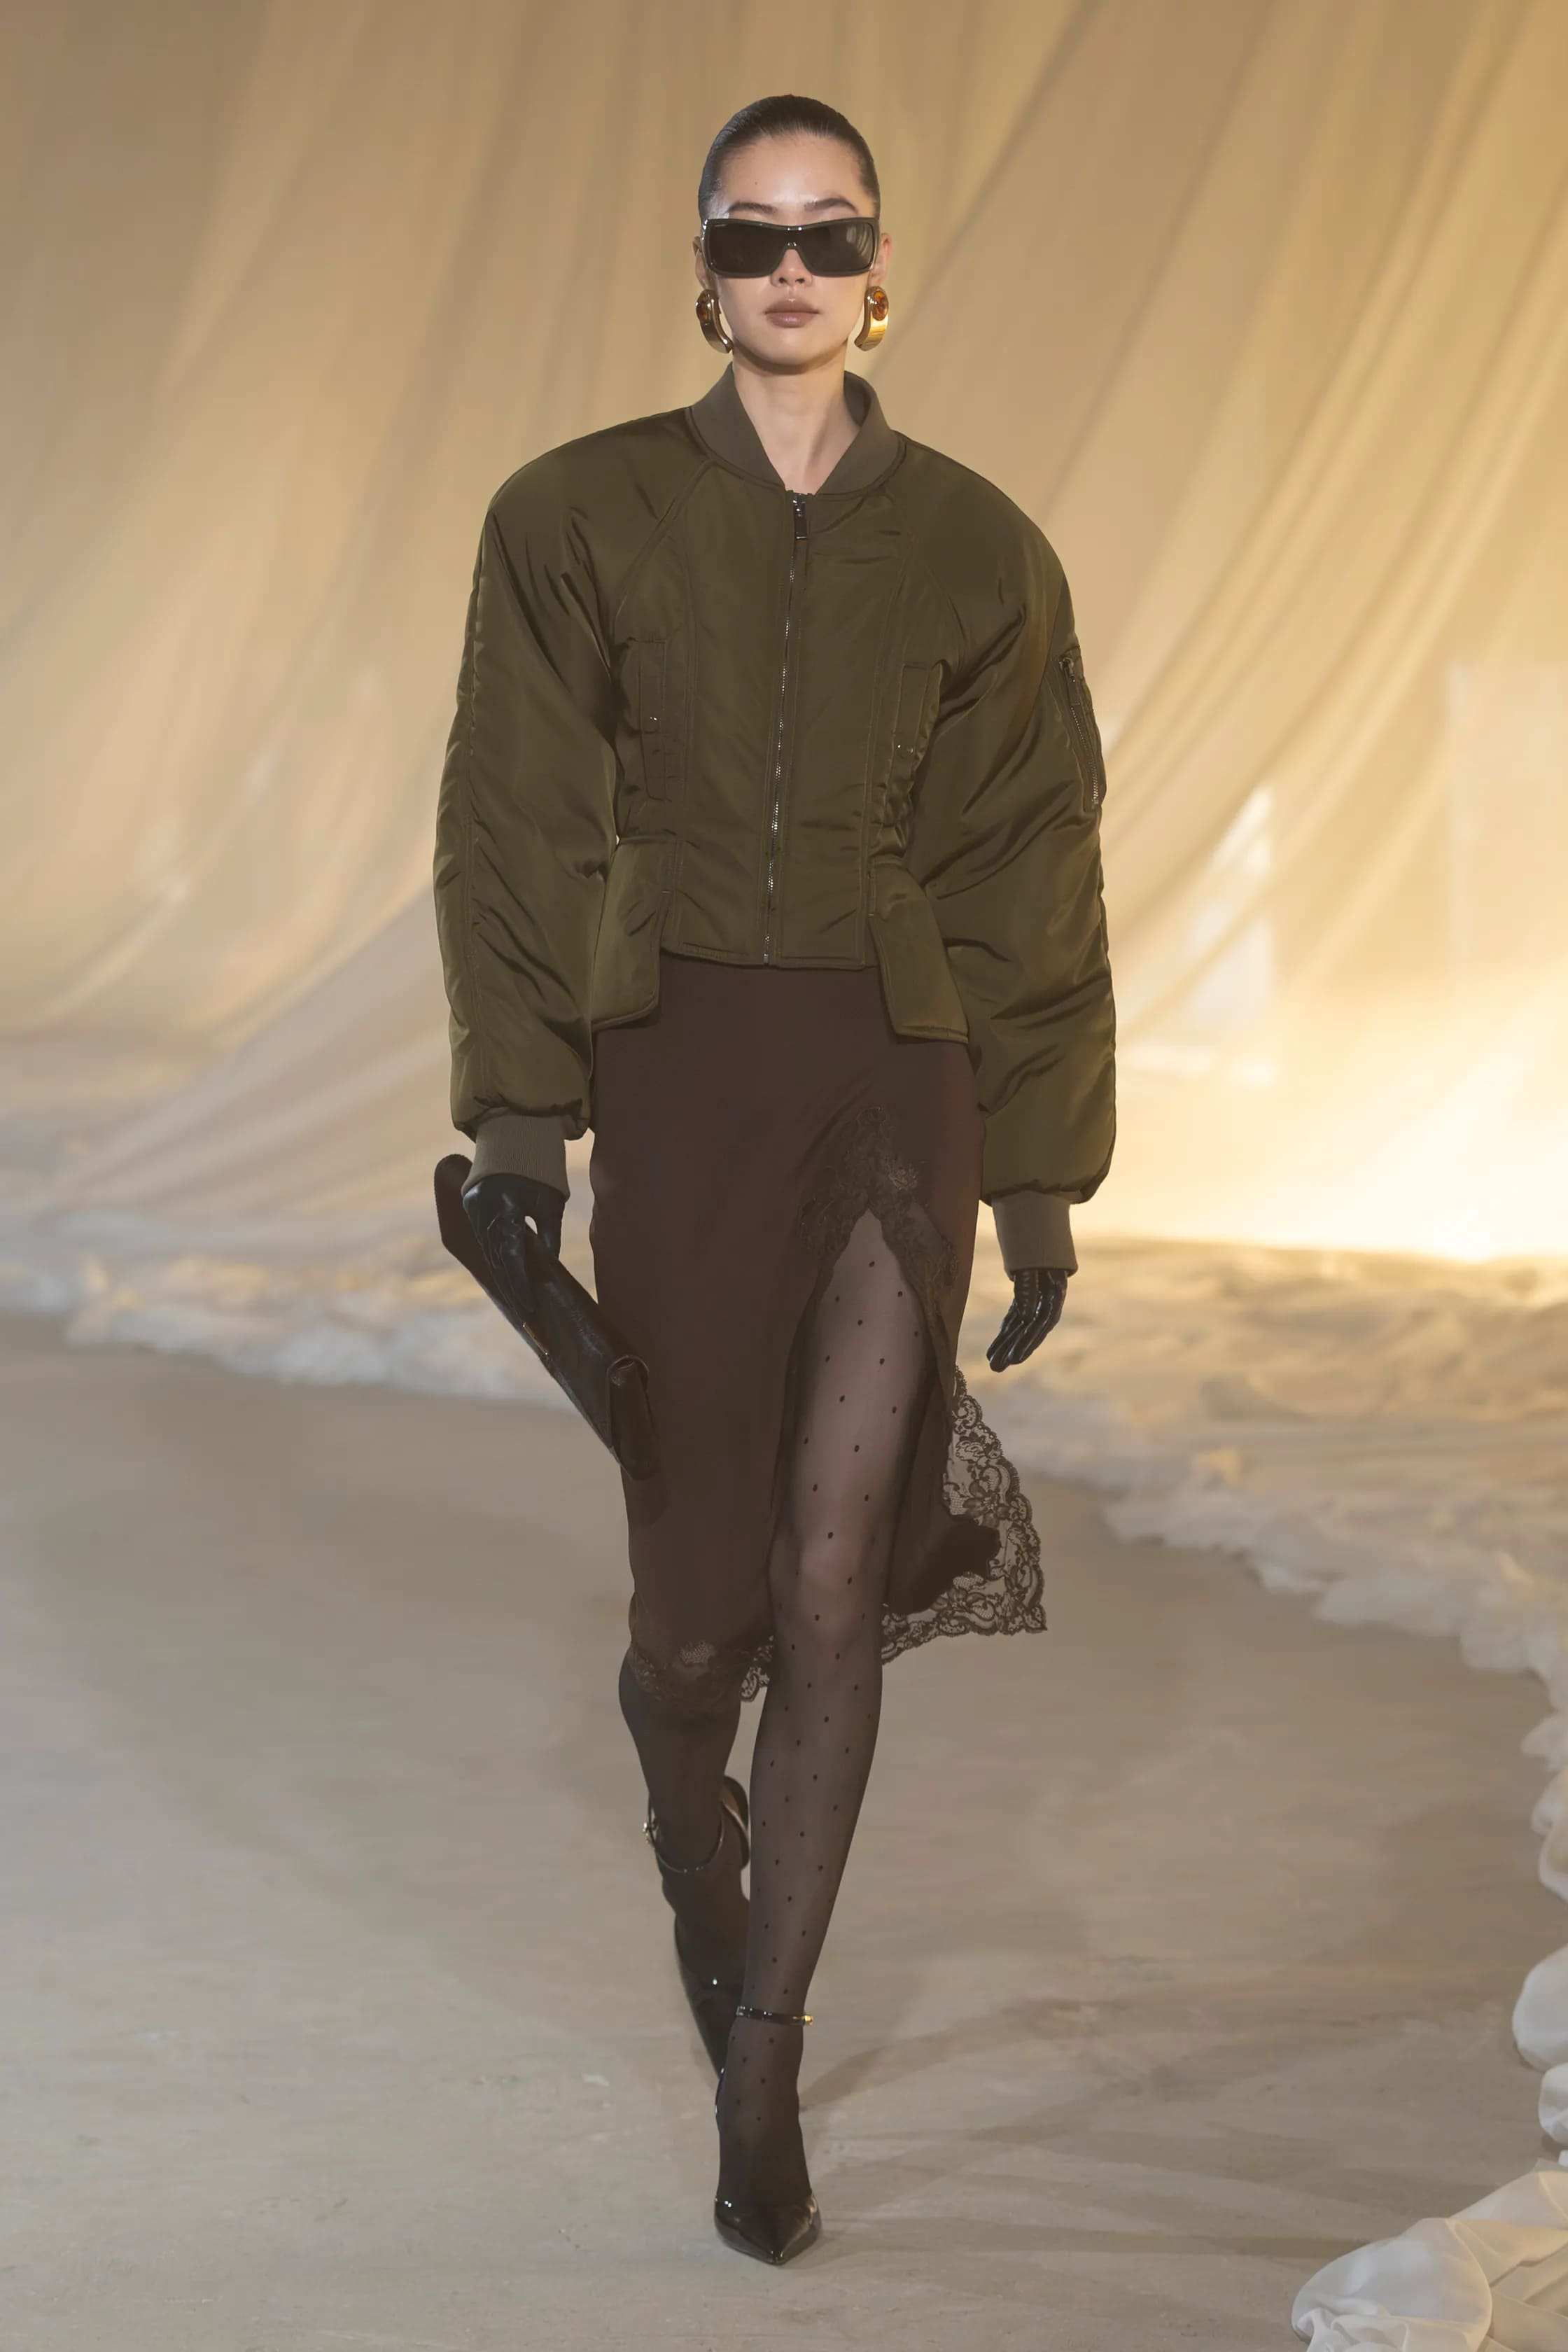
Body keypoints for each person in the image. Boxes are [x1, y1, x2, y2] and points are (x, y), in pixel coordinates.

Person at [433, 92, 1114, 2267]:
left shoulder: (982, 547)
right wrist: (522, 1120)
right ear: (707, 268)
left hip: (894, 1076)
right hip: (681, 1070)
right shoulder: (576, 514)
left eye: (831, 234)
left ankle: (767, 2056)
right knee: (694, 1611)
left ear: (880, 267)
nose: (795, 270)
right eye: (757, 235)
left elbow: (1030, 859)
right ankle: (684, 1821)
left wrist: (1039, 1170)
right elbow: (518, 817)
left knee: (833, 1576)